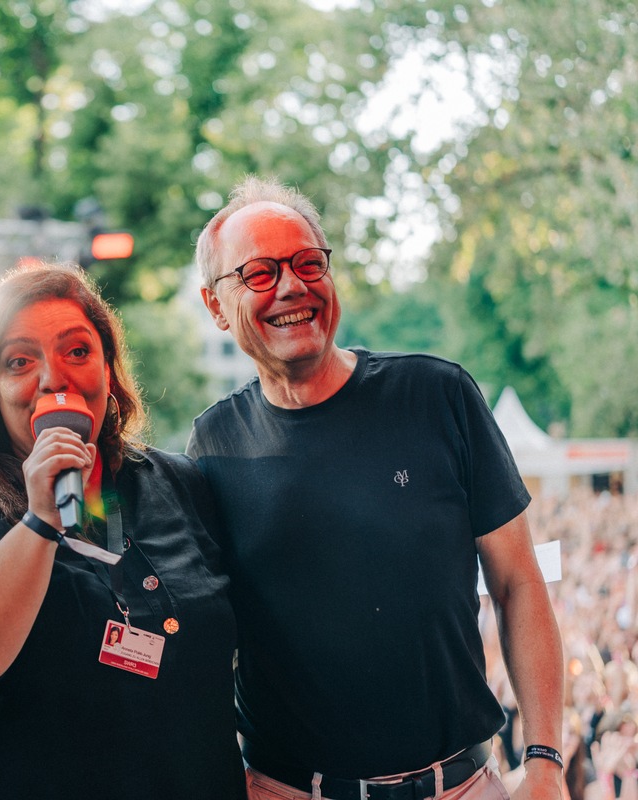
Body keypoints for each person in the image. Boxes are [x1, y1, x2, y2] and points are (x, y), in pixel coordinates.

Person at [187, 175, 564, 800]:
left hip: (463, 785)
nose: (292, 286)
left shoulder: (438, 396)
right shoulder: (211, 446)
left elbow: (518, 581)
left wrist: (546, 759)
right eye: (259, 273)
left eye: (309, 263)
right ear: (215, 305)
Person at [0, 263, 242, 799]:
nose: (54, 378)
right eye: (19, 361)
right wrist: (41, 518)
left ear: (110, 374)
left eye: (77, 352)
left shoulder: (177, 484)